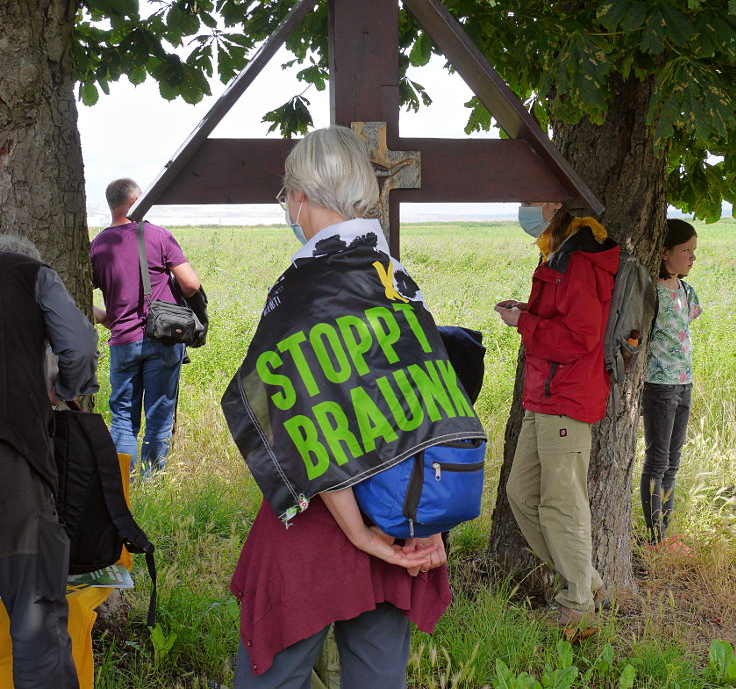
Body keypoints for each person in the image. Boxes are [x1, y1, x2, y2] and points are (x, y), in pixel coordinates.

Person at [223, 126, 466, 688]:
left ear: (300, 197)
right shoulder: (400, 282)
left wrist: (356, 532)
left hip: (318, 526)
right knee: (378, 676)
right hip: (400, 513)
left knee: (272, 676)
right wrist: (423, 522)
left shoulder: (300, 288)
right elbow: (435, 402)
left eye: (287, 197)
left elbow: (300, 423)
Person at [495, 202, 619, 626]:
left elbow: (580, 337)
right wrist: (526, 314)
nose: (524, 209)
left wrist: (523, 325)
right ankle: (587, 582)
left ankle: (578, 605)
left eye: (532, 199)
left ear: (553, 205)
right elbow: (561, 320)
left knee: (562, 505)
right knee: (522, 494)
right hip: (545, 397)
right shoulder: (559, 252)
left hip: (565, 398)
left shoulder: (579, 260)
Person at [0, 234, 99, 689]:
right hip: (14, 463)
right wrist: (59, 391)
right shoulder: (30, 275)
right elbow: (78, 347)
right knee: (34, 619)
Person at [90, 178, 201, 474]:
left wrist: (104, 316)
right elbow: (191, 284)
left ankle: (122, 489)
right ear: (135, 201)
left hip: (122, 341)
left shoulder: (98, 245)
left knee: (123, 419)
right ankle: (151, 484)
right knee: (159, 416)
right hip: (163, 338)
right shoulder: (158, 236)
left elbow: (78, 296)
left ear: (111, 204)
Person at [640, 218, 701, 551]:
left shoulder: (686, 291)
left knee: (672, 462)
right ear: (664, 252)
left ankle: (664, 529)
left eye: (694, 251)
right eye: (686, 251)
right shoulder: (652, 292)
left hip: (683, 383)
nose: (692, 257)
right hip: (658, 386)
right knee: (658, 460)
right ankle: (655, 538)